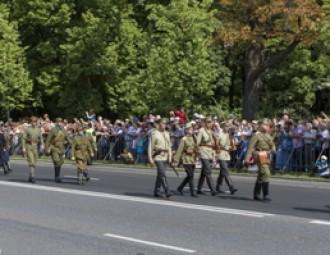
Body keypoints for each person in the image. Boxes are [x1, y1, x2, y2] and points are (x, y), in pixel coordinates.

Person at [245, 120, 276, 201]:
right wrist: (247, 159)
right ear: (261, 126)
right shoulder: (257, 135)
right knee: (266, 173)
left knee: (261, 175)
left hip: (267, 155)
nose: (266, 126)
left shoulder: (268, 136)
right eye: (264, 125)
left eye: (267, 125)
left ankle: (256, 194)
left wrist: (273, 149)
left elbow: (272, 145)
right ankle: (266, 195)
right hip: (259, 154)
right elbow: (251, 147)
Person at [148, 118, 173, 198]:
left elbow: (169, 146)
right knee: (162, 173)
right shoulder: (154, 133)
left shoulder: (167, 133)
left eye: (165, 123)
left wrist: (170, 156)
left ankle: (157, 191)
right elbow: (150, 147)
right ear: (159, 124)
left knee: (160, 175)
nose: (164, 125)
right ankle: (167, 190)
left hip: (165, 156)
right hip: (158, 156)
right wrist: (150, 158)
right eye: (163, 123)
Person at [173, 122, 198, 197]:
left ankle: (179, 188)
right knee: (190, 175)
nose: (191, 130)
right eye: (190, 129)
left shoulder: (194, 138)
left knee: (190, 176)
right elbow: (179, 150)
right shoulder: (184, 139)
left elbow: (197, 146)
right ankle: (193, 192)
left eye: (192, 129)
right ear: (186, 130)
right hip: (186, 159)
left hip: (192, 159)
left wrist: (197, 153)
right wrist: (176, 160)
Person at [196, 118, 217, 196]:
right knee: (208, 170)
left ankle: (199, 188)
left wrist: (213, 154)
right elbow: (197, 142)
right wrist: (198, 152)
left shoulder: (211, 132)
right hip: (203, 151)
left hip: (209, 152)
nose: (210, 124)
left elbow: (213, 144)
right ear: (205, 123)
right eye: (208, 122)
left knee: (204, 172)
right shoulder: (201, 131)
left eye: (211, 122)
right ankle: (213, 189)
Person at [45, 118, 71, 183]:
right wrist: (46, 149)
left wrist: (72, 143)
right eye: (58, 122)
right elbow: (48, 140)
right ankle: (57, 177)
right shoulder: (53, 130)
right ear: (56, 122)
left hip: (61, 148)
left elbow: (67, 138)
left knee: (61, 162)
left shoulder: (63, 130)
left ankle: (57, 176)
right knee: (57, 161)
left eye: (60, 122)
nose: (59, 123)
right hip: (54, 148)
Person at [215, 123, 238, 194]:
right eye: (226, 126)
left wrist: (232, 147)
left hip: (227, 155)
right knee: (225, 171)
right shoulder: (220, 134)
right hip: (221, 154)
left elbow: (232, 145)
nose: (227, 128)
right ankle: (231, 187)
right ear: (223, 127)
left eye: (228, 127)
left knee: (222, 172)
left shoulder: (229, 135)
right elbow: (216, 144)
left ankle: (218, 186)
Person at [22, 116, 44, 183]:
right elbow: (23, 138)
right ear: (31, 122)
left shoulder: (38, 129)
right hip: (29, 146)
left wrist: (42, 144)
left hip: (35, 147)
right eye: (33, 122)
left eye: (35, 122)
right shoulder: (28, 129)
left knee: (34, 162)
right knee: (31, 162)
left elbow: (41, 137)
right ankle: (32, 177)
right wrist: (23, 147)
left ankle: (30, 176)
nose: (34, 123)